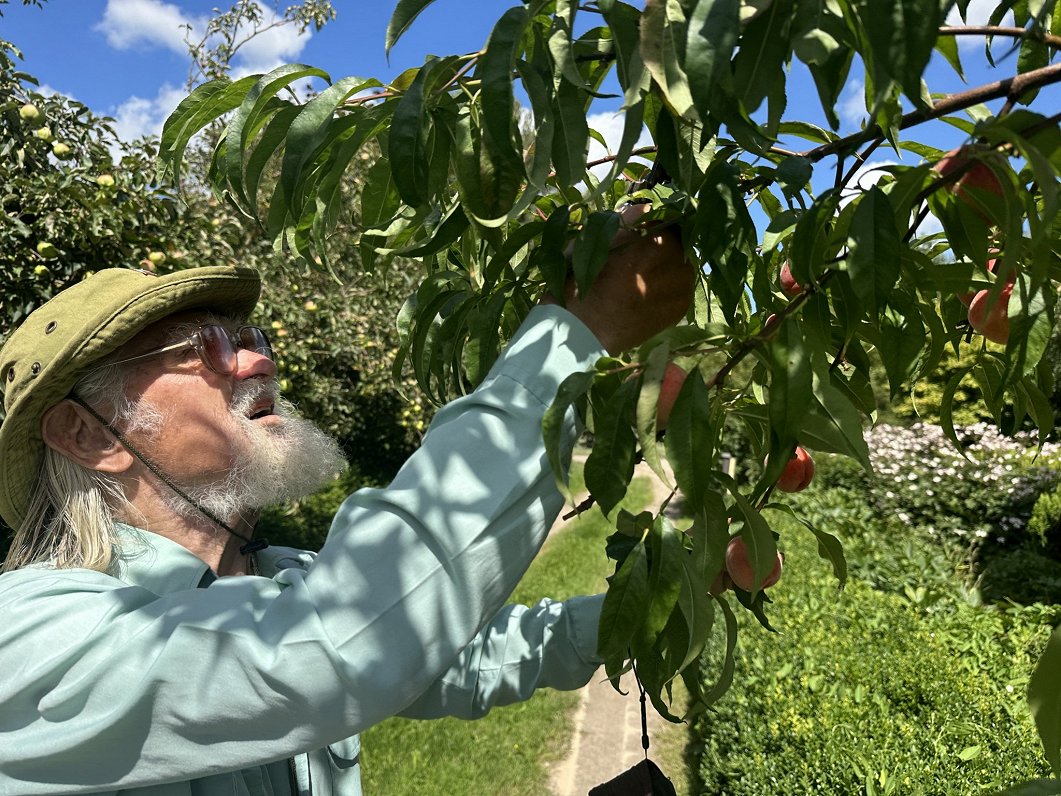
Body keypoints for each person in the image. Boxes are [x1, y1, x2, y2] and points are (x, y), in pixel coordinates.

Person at [0, 217, 693, 795]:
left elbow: (464, 655)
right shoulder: (29, 639)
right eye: (205, 346)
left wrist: (660, 599)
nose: (260, 363)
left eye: (252, 340)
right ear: (89, 433)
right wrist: (577, 332)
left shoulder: (277, 580)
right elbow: (344, 638)